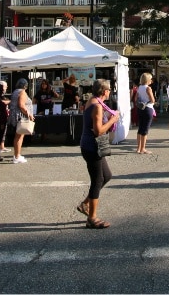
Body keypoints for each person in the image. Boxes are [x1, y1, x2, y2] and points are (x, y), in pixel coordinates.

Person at [75, 79, 120, 229]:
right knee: (98, 180)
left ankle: (85, 204)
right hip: (91, 146)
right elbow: (98, 131)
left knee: (106, 176)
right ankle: (92, 218)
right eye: (109, 90)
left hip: (90, 145)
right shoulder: (97, 106)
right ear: (104, 91)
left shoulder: (93, 102)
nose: (110, 92)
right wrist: (113, 119)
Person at [6, 78, 34, 164]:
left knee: (18, 136)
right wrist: (29, 114)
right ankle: (17, 156)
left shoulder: (15, 91)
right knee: (19, 136)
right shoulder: (22, 92)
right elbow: (21, 105)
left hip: (15, 115)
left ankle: (17, 155)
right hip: (21, 116)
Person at [135, 72, 156, 154]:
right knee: (145, 129)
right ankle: (143, 148)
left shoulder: (139, 87)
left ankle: (138, 148)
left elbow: (136, 98)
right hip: (148, 108)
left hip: (140, 108)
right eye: (151, 79)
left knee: (140, 128)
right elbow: (152, 100)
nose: (151, 80)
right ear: (148, 80)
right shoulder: (148, 88)